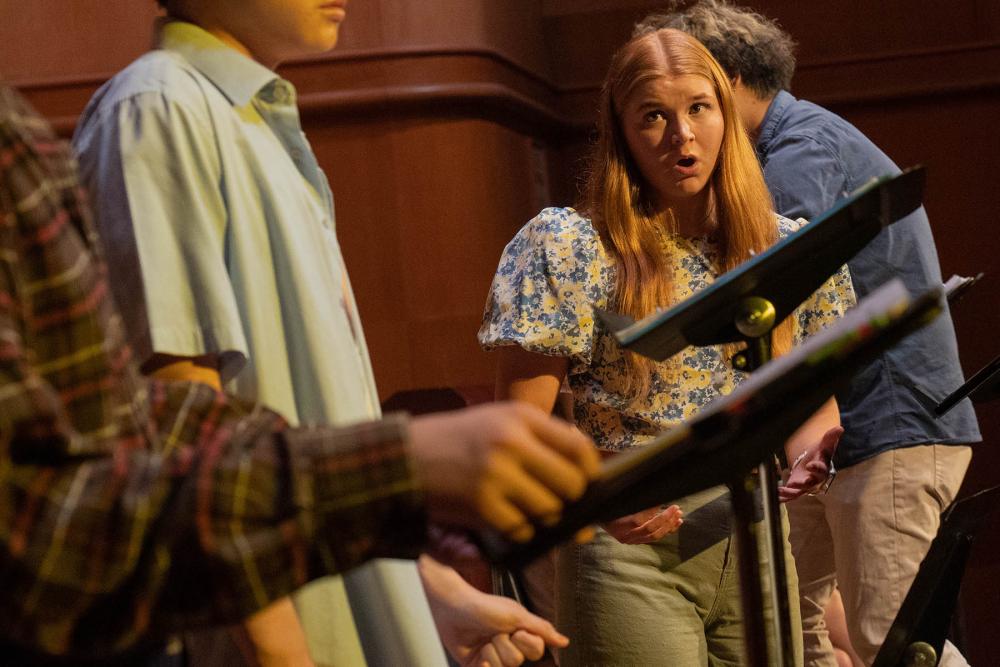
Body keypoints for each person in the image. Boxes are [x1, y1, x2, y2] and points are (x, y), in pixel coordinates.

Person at [0, 83, 600, 665]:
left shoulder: (262, 125)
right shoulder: (154, 110)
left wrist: (426, 580)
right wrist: (398, 468)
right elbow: (42, 524)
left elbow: (152, 420)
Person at [479, 27, 854, 665]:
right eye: (653, 116)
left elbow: (811, 399)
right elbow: (519, 422)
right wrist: (600, 488)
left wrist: (809, 453)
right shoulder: (574, 246)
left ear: (724, 117)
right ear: (622, 132)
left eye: (697, 109)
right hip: (631, 544)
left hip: (754, 532)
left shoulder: (782, 248)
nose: (681, 135)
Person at [637, 2, 982, 665]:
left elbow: (758, 297)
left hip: (888, 428)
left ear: (732, 78)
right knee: (787, 634)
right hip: (835, 440)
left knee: (898, 643)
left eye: (696, 97)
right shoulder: (785, 147)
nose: (685, 123)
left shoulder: (799, 151)